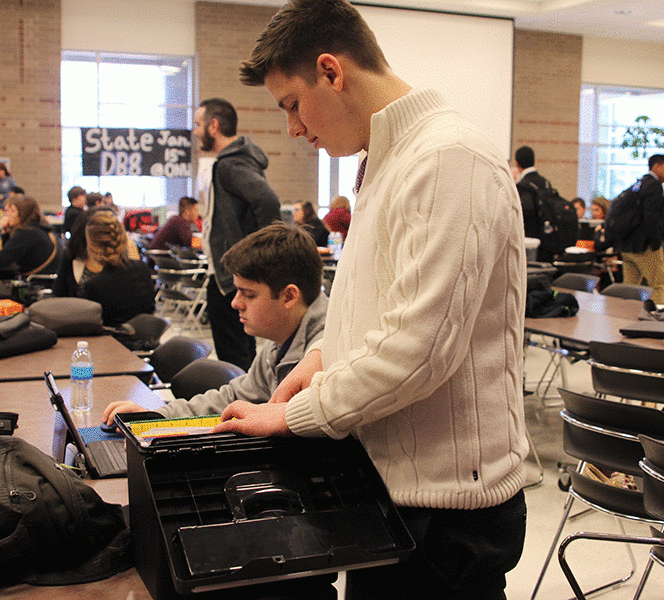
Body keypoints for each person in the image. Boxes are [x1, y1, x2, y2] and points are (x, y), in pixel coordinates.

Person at [215, 2, 529, 598]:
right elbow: (384, 311)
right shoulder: (388, 160)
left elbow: (419, 349)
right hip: (394, 486)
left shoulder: (447, 158)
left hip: (444, 513)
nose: (294, 129)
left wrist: (289, 415)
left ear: (332, 71)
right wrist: (321, 357)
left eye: (291, 104)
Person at [102, 222, 328, 424]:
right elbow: (232, 397)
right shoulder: (280, 340)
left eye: (248, 294)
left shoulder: (325, 352)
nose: (235, 303)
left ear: (289, 296)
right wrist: (156, 415)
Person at [195, 97, 282, 371]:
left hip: (230, 277)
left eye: (198, 124)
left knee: (233, 360)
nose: (195, 131)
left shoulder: (229, 165)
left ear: (214, 126)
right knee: (241, 355)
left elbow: (268, 201)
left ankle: (242, 411)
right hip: (232, 274)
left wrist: (260, 254)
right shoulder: (231, 161)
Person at [77, 209, 155, 327]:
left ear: (92, 245)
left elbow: (88, 327)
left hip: (113, 343)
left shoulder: (94, 285)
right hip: (147, 340)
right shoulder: (143, 270)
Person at [612, 154, 664, 304]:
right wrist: (656, 244)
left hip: (628, 246)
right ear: (656, 166)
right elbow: (652, 218)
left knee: (630, 288)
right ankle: (655, 320)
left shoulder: (638, 184)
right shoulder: (653, 186)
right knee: (659, 285)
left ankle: (625, 318)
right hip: (645, 246)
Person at [0, 195, 58, 277]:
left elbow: (2, 260)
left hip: (36, 282)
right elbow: (7, 252)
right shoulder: (35, 227)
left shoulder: (26, 232)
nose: (8, 215)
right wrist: (5, 231)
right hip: (42, 276)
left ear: (23, 213)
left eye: (12, 211)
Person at [514, 145, 557, 261]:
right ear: (534, 161)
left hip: (530, 245)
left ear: (517, 163)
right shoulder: (546, 183)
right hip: (547, 241)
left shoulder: (522, 186)